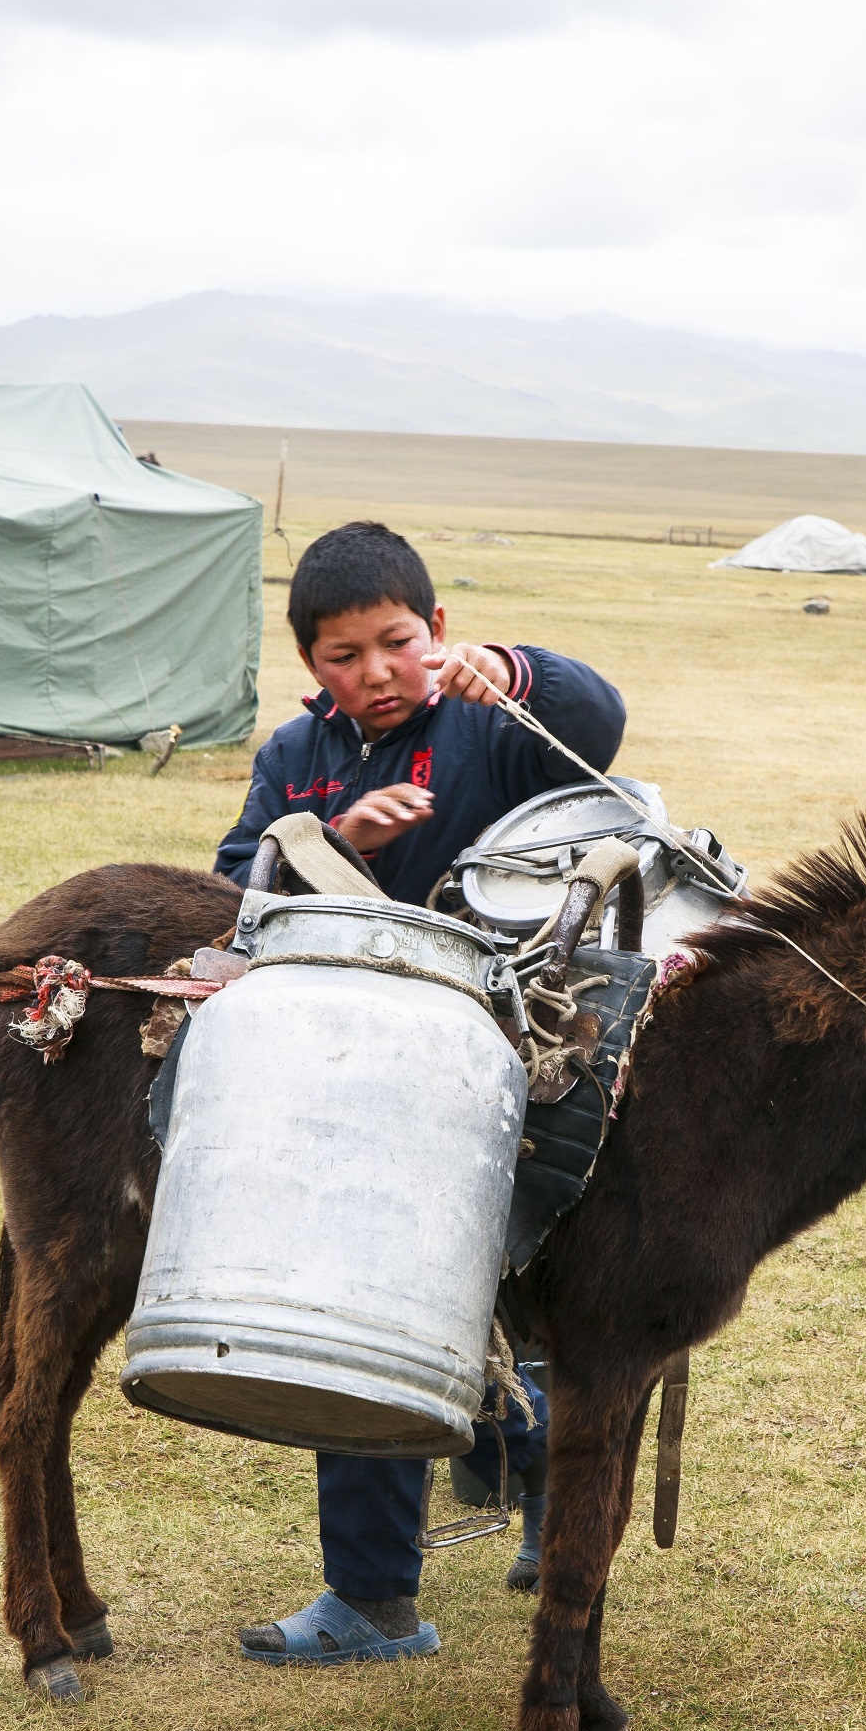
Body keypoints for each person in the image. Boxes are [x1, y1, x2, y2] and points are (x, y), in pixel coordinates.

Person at [215, 520, 625, 1664]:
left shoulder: (491, 724)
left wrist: (519, 668)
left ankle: (537, 1487)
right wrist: (328, 834)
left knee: (500, 1303)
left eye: (398, 643)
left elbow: (597, 727)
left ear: (435, 632)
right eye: (344, 656)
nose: (376, 674)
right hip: (348, 1077)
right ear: (311, 666)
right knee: (367, 1312)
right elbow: (229, 886)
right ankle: (373, 1599)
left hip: (507, 1062)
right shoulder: (295, 759)